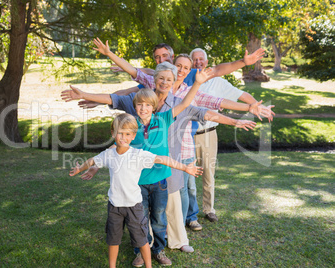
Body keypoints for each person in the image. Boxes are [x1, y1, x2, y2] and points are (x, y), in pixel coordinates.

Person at [61, 38, 258, 266]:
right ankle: (140, 250)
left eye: (170, 78)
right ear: (153, 82)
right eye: (161, 78)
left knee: (160, 216)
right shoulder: (139, 100)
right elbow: (114, 97)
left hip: (161, 173)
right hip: (136, 178)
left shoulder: (167, 112)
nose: (165, 82)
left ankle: (160, 248)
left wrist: (237, 119)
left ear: (176, 80)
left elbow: (207, 109)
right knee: (140, 218)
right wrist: (85, 93)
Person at [69, 113, 203, 268]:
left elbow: (162, 159)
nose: (123, 137)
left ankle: (148, 265)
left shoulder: (138, 155)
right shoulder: (108, 154)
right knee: (113, 239)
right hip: (114, 206)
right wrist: (80, 168)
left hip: (134, 206)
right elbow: (93, 160)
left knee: (141, 240)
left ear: (133, 136)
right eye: (119, 133)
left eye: (127, 134)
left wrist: (185, 167)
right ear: (113, 134)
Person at [181, 47, 275, 226]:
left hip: (209, 134)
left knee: (208, 174)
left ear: (207, 62)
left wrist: (257, 106)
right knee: (189, 177)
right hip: (188, 135)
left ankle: (209, 209)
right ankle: (189, 215)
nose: (199, 62)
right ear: (191, 63)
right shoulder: (185, 80)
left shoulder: (219, 82)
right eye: (195, 59)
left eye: (202, 59)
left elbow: (241, 95)